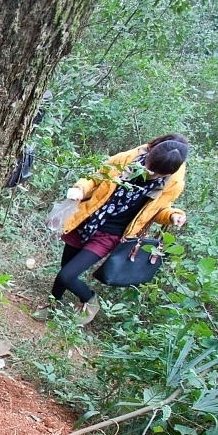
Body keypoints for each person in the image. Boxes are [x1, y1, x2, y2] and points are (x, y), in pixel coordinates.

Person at [37, 133, 189, 325]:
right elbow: (96, 177)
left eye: (158, 175)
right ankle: (52, 306)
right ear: (150, 155)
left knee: (67, 275)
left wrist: (172, 215)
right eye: (150, 168)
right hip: (89, 219)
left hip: (112, 234)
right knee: (65, 268)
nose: (151, 174)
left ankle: (90, 300)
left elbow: (156, 211)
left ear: (168, 173)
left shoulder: (173, 184)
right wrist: (80, 188)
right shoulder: (128, 159)